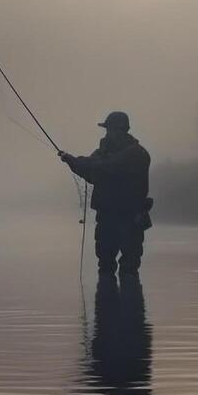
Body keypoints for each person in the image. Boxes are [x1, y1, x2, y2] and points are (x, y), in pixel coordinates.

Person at [60, 111, 152, 275]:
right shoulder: (101, 153)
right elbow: (91, 172)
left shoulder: (137, 154)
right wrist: (70, 161)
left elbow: (107, 167)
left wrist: (77, 161)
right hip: (107, 217)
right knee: (105, 265)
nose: (108, 133)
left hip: (130, 218)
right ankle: (106, 299)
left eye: (110, 129)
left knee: (129, 268)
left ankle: (130, 299)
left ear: (121, 130)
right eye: (107, 129)